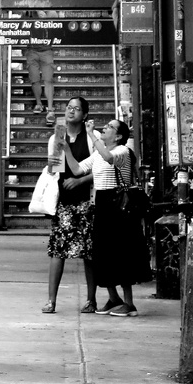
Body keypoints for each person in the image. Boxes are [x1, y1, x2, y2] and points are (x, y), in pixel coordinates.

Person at [63, 118, 138, 318]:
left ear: (119, 136)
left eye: (110, 127)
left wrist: (90, 134)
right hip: (102, 204)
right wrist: (66, 150)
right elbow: (78, 170)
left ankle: (129, 303)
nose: (105, 128)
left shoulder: (122, 151)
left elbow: (109, 158)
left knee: (120, 254)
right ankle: (114, 298)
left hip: (118, 206)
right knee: (101, 253)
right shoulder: (98, 153)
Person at [41, 97, 97, 314]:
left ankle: (91, 300)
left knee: (89, 252)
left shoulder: (92, 138)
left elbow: (100, 169)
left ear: (84, 115)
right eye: (69, 108)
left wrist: (80, 180)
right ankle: (51, 300)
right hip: (64, 202)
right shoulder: (57, 136)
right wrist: (57, 149)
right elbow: (53, 169)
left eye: (76, 109)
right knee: (58, 250)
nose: (71, 111)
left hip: (87, 202)